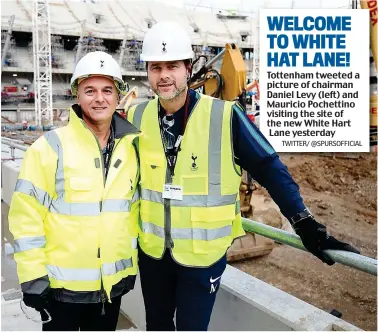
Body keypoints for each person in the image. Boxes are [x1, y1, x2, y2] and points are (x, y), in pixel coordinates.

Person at [126, 21, 361, 331]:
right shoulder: (136, 116)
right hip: (153, 253)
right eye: (156, 67)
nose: (164, 75)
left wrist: (303, 222)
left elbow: (268, 166)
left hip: (202, 258)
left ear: (187, 68)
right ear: (148, 72)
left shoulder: (224, 116)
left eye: (172, 65)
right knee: (156, 324)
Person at [8, 51, 140, 331]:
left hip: (110, 291)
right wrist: (33, 276)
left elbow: (133, 213)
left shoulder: (132, 148)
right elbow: (26, 217)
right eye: (89, 90)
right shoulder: (49, 148)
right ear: (76, 96)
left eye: (107, 90)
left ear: (118, 97)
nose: (99, 98)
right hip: (60, 291)